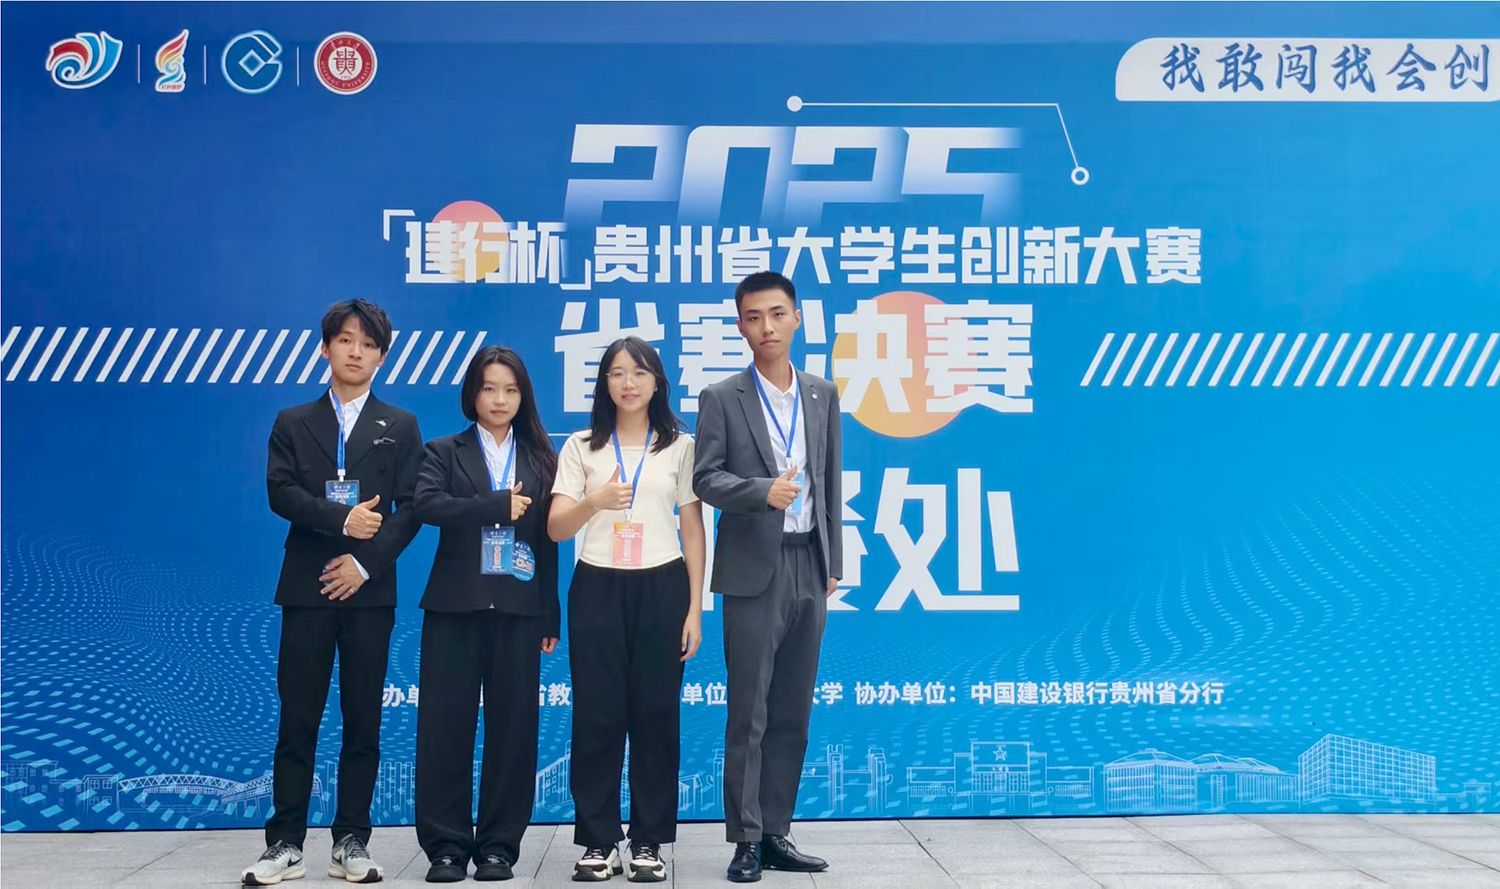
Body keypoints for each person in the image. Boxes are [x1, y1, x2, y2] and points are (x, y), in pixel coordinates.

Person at [244, 299, 424, 886]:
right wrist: (340, 519)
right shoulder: (294, 421)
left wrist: (364, 564)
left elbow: (411, 508)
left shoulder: (400, 425)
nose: (356, 352)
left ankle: (351, 840)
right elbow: (280, 492)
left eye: (368, 344)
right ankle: (284, 843)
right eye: (345, 340)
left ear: (382, 357)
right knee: (298, 718)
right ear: (325, 348)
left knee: (362, 720)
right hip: (307, 586)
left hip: (369, 592)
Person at [691, 271, 842, 884]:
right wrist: (762, 492)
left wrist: (833, 561)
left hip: (810, 562)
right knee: (749, 711)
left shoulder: (821, 394)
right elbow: (705, 478)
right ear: (740, 326)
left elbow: (830, 480)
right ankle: (746, 839)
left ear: (797, 318)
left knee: (792, 710)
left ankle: (777, 830)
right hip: (754, 568)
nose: (767, 327)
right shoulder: (722, 397)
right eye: (754, 317)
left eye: (778, 314)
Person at [548, 337, 706, 883]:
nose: (628, 383)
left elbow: (693, 529)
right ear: (604, 384)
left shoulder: (680, 446)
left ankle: (647, 841)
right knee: (597, 715)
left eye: (639, 372)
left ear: (657, 382)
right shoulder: (581, 446)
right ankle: (597, 840)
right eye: (616, 373)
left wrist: (695, 608)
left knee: (656, 715)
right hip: (596, 584)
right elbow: (556, 527)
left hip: (663, 585)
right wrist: (593, 502)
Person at [412, 346, 560, 883]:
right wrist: (494, 505)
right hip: (455, 606)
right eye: (489, 388)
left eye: (511, 390)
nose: (500, 400)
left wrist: (550, 612)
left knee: (513, 730)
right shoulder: (443, 450)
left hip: (519, 609)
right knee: (444, 727)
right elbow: (427, 505)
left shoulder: (541, 459)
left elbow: (548, 541)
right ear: (472, 393)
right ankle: (446, 847)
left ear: (524, 397)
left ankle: (499, 846)